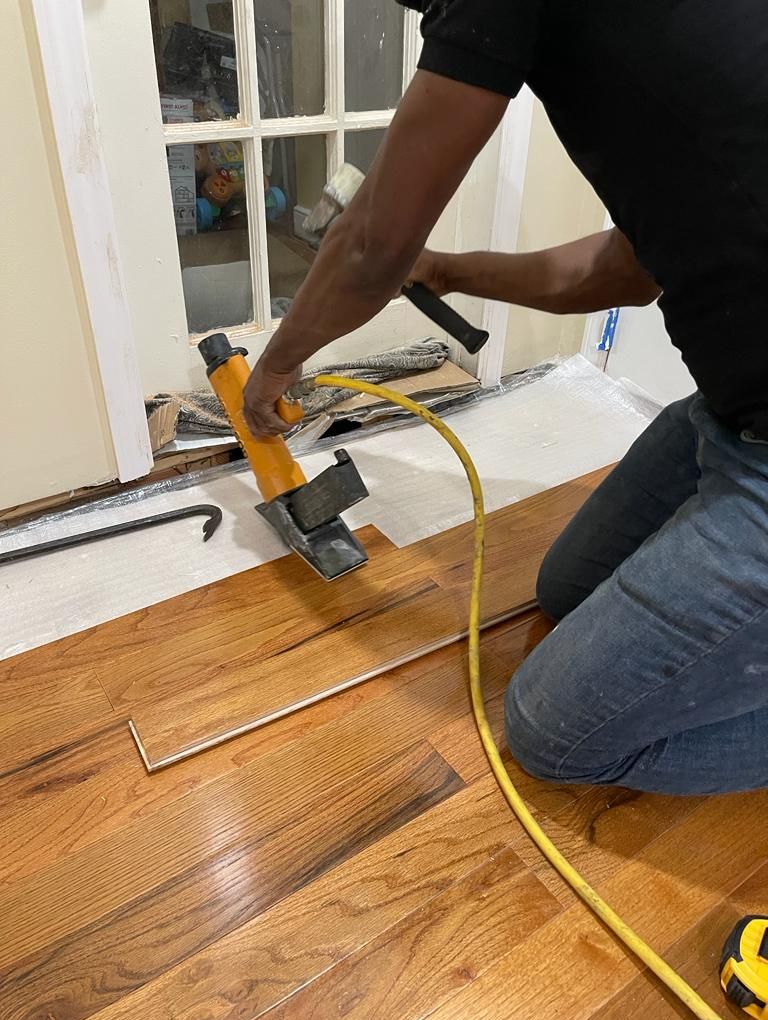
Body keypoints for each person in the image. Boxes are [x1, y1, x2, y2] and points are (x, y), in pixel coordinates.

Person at [243, 1, 768, 795]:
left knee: (553, 735)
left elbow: (370, 243)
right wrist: (446, 269)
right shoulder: (653, 49)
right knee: (567, 587)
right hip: (732, 415)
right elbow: (619, 270)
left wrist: (273, 368)